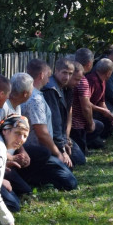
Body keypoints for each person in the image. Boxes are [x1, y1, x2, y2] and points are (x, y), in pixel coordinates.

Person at [19, 59, 77, 191]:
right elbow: (42, 134)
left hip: (32, 148)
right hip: (37, 151)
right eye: (48, 75)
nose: (49, 78)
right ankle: (32, 177)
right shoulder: (36, 99)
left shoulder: (28, 94)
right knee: (70, 182)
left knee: (69, 168)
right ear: (41, 75)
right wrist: (58, 153)